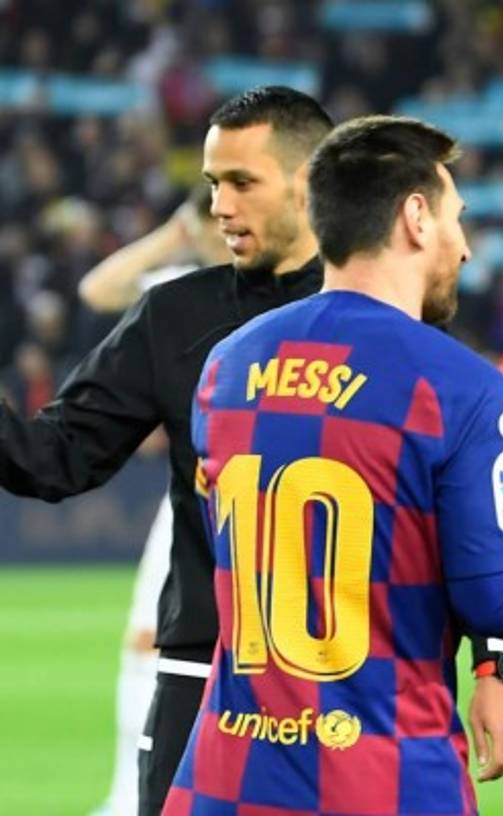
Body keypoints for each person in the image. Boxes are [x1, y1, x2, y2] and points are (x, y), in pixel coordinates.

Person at [0, 87, 503, 816]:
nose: (219, 206)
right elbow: (53, 458)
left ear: (312, 184)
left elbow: (465, 528)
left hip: (364, 689)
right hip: (209, 678)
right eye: (213, 184)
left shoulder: (399, 326)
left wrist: (495, 666)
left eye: (242, 183)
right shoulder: (174, 316)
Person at [164, 114, 503, 816]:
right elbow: (502, 599)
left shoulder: (227, 366)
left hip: (224, 779)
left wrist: (488, 663)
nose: (466, 249)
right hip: (380, 779)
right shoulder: (459, 387)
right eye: (459, 217)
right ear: (416, 217)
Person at [78, 185, 228, 816]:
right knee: (155, 648)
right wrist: (175, 234)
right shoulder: (183, 295)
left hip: (262, 491)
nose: (228, 227)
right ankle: (132, 796)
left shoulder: (297, 288)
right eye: (216, 214)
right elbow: (98, 290)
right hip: (190, 495)